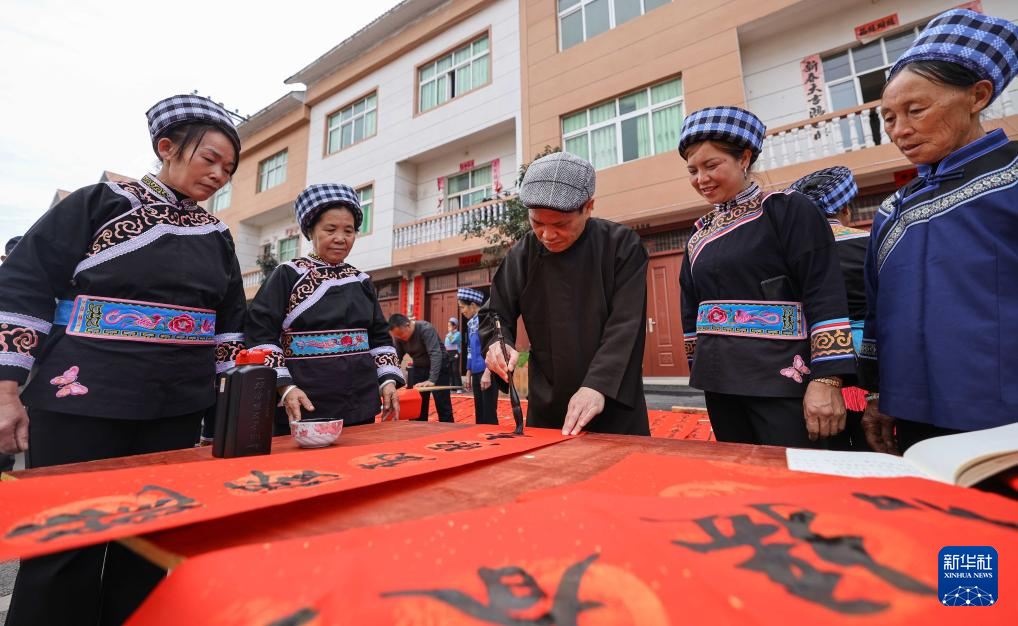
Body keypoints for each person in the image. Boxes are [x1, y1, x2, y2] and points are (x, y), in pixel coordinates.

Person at [0, 94, 247, 625]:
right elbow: (25, 283)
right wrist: (6, 388)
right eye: (209, 159)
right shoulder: (99, 203)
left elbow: (230, 323)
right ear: (167, 148)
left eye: (228, 169)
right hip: (84, 398)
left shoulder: (217, 236)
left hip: (176, 408)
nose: (218, 175)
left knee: (149, 545)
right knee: (66, 544)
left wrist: (232, 404)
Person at [862, 8, 1018, 453]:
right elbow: (878, 312)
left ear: (977, 96)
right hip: (912, 415)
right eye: (888, 118)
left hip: (1003, 416)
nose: (901, 131)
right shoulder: (892, 209)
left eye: (916, 110)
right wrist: (878, 393)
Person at [677, 106, 855, 447]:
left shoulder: (787, 209)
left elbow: (824, 291)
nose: (701, 179)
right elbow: (691, 308)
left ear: (744, 158)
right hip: (720, 384)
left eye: (711, 165)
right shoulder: (699, 234)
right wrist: (699, 366)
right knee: (742, 472)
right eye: (693, 170)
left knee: (797, 472)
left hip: (783, 381)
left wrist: (827, 378)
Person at [480, 151, 650, 436]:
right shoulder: (524, 253)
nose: (547, 235)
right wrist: (498, 343)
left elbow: (626, 325)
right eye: (537, 223)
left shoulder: (621, 246)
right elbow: (495, 311)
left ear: (588, 206)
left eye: (560, 224)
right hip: (548, 401)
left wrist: (597, 384)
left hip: (612, 399)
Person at [246, 183, 403, 430]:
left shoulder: (361, 280)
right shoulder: (288, 274)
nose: (340, 238)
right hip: (304, 400)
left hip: (360, 399)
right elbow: (260, 332)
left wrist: (387, 381)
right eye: (330, 229)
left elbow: (379, 336)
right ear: (310, 231)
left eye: (349, 231)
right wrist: (285, 387)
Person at [790, 166, 871, 451]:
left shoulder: (790, 255)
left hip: (813, 366)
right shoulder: (870, 244)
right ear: (845, 209)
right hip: (870, 364)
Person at [389, 314, 453, 422]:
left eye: (401, 334)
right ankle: (418, 429)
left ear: (408, 325)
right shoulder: (399, 338)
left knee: (442, 404)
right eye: (397, 336)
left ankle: (448, 428)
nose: (400, 338)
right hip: (419, 367)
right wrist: (393, 380)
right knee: (418, 405)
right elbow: (397, 358)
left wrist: (432, 380)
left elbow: (435, 354)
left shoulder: (425, 329)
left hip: (439, 366)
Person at [458, 287, 497, 425]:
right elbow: (470, 349)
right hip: (476, 372)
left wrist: (488, 372)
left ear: (473, 305)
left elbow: (493, 347)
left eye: (462, 307)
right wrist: (469, 372)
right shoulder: (471, 323)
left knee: (488, 413)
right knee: (479, 412)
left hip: (487, 371)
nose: (461, 311)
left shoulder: (487, 320)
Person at [444, 316, 463, 389]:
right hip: (448, 353)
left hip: (455, 353)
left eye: (450, 326)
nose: (448, 328)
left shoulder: (457, 334)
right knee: (450, 370)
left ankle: (459, 387)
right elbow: (446, 344)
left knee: (455, 370)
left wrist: (449, 334)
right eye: (448, 326)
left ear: (454, 326)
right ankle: (453, 386)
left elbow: (453, 341)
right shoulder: (449, 334)